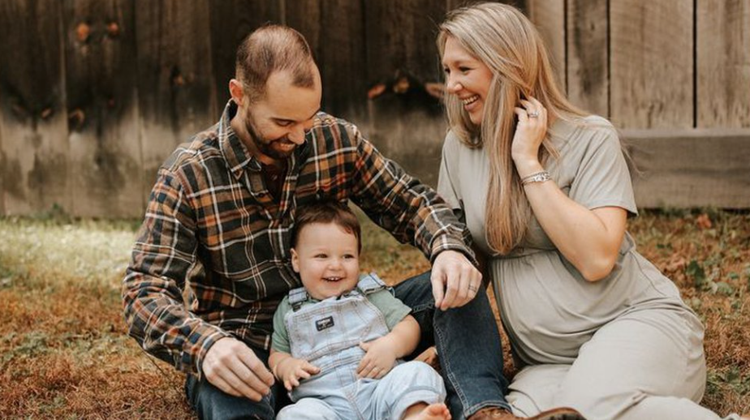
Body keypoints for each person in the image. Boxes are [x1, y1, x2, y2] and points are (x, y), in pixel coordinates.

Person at [122, 24, 574, 420]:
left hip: (356, 326)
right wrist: (206, 348)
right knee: (229, 392)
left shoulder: (333, 139)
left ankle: (483, 411)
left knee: (456, 283)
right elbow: (144, 290)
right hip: (253, 348)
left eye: (308, 117)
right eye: (283, 121)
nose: (300, 135)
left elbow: (410, 202)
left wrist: (449, 248)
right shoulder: (189, 173)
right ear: (239, 95)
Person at [436, 3, 749, 420]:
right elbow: (461, 262)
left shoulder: (589, 138)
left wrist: (528, 163)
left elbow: (597, 257)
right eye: (446, 71)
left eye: (464, 69)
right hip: (547, 365)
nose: (452, 85)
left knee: (585, 406)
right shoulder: (459, 150)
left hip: (637, 326)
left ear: (506, 65)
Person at [269, 199, 450, 420]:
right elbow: (277, 353)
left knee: (415, 373)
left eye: (347, 256)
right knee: (293, 414)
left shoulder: (368, 292)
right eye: (321, 256)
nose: (336, 265)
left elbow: (409, 324)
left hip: (379, 391)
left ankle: (414, 415)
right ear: (296, 260)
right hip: (324, 406)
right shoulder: (289, 309)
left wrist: (391, 346)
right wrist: (285, 366)